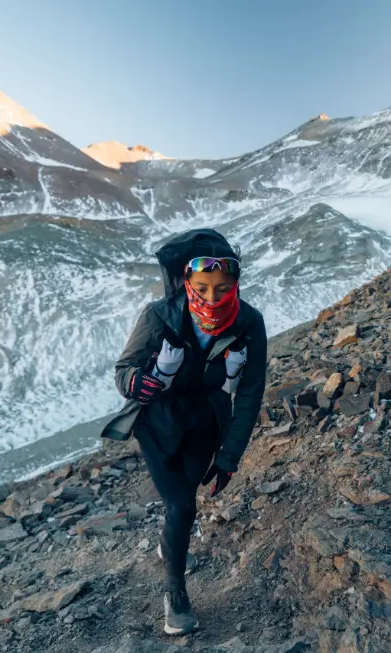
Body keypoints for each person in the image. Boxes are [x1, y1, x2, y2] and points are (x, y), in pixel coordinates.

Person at [100, 228, 268, 635]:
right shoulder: (159, 315)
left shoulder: (249, 323)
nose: (212, 299)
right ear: (186, 282)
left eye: (223, 288)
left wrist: (228, 456)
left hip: (205, 427)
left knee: (185, 501)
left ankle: (169, 546)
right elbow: (125, 370)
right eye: (203, 288)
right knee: (182, 507)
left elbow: (249, 394)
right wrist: (139, 384)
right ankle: (176, 595)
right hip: (158, 426)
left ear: (236, 284)